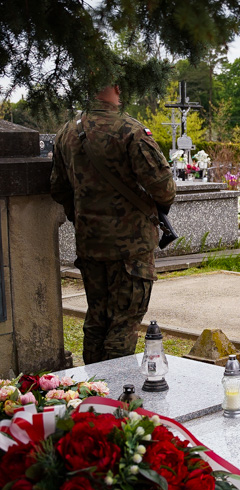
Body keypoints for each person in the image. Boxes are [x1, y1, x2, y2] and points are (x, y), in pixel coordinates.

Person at [51, 83, 176, 363]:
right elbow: (164, 188)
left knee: (97, 319)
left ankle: (92, 393)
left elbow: (58, 190)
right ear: (118, 87)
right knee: (124, 324)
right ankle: (115, 398)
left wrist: (85, 219)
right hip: (131, 249)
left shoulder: (66, 132)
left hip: (90, 245)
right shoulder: (129, 130)